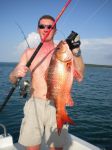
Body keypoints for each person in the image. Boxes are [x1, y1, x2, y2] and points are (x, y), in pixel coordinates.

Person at [9, 15, 85, 150]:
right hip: (34, 104)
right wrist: (16, 73)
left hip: (56, 103)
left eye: (50, 26)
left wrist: (76, 52)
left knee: (56, 147)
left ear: (55, 30)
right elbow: (12, 79)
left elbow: (80, 76)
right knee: (32, 147)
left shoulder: (64, 50)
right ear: (37, 29)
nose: (46, 29)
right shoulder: (29, 53)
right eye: (42, 26)